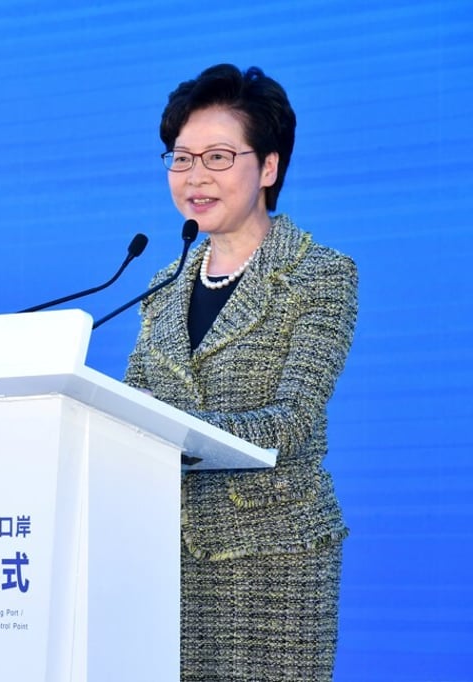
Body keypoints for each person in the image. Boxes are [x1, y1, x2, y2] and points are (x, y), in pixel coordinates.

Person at [123, 64, 358, 681]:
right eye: (182, 157)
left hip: (276, 563)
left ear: (270, 167)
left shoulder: (320, 275)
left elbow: (290, 421)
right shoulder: (161, 286)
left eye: (220, 156)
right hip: (164, 558)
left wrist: (169, 431)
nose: (195, 176)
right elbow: (130, 406)